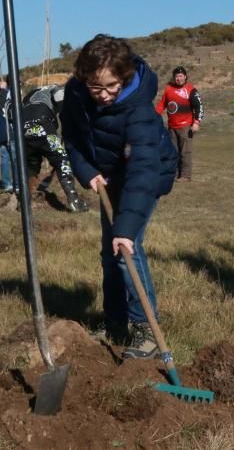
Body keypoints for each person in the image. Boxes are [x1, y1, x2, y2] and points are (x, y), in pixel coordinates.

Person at [61, 35, 178, 359]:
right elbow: (70, 136)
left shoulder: (138, 106)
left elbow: (143, 170)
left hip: (147, 173)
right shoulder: (75, 93)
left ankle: (146, 332)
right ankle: (115, 321)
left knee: (128, 247)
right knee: (108, 251)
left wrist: (125, 229)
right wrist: (87, 171)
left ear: (123, 77)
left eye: (111, 86)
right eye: (95, 88)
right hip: (107, 174)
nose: (104, 95)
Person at [20, 84, 88, 213]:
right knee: (61, 160)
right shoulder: (55, 88)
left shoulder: (30, 94)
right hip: (43, 123)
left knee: (31, 165)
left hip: (23, 127)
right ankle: (74, 200)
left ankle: (24, 201)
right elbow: (63, 107)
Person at [155, 66, 203, 182]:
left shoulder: (191, 89)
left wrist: (196, 122)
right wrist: (154, 116)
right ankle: (173, 174)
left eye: (181, 76)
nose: (179, 78)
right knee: (172, 152)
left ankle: (185, 175)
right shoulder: (168, 89)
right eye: (177, 76)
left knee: (185, 152)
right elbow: (162, 105)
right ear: (174, 77)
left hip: (186, 126)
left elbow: (199, 106)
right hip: (172, 127)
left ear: (185, 77)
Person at [0, 77, 17, 193]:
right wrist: (5, 88)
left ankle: (7, 184)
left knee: (5, 159)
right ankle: (16, 184)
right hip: (10, 132)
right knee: (14, 159)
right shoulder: (8, 95)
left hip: (2, 133)